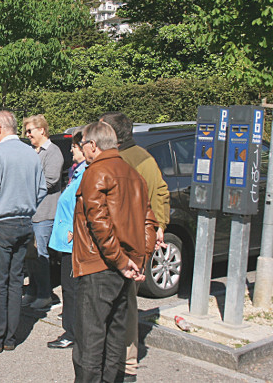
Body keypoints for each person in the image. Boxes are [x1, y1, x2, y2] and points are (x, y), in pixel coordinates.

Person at [71, 121, 158, 383]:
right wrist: (138, 261)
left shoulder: (95, 171)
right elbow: (149, 222)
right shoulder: (134, 175)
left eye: (83, 143)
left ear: (93, 145)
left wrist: (121, 261)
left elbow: (99, 222)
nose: (81, 148)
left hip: (100, 265)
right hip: (124, 267)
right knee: (115, 336)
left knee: (90, 340)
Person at [100, 112, 170, 383]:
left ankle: (126, 365)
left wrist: (160, 225)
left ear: (113, 134)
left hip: (131, 245)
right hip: (115, 244)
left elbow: (159, 192)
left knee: (126, 304)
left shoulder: (140, 159)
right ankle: (112, 357)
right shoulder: (113, 158)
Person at [0, 111, 47, 354]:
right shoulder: (31, 153)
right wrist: (28, 207)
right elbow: (42, 188)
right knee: (15, 282)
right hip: (24, 223)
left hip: (1, 222)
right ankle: (10, 337)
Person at [47, 128, 87, 349]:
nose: (71, 150)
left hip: (75, 241)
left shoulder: (86, 173)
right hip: (66, 240)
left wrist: (74, 228)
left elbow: (83, 207)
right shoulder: (76, 172)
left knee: (72, 289)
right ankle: (71, 329)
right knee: (69, 288)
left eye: (74, 147)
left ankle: (72, 333)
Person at [22, 115, 63, 310]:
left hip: (44, 211)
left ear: (42, 130)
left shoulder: (53, 152)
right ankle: (32, 290)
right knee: (30, 254)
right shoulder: (31, 152)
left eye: (30, 130)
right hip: (30, 212)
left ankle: (45, 294)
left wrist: (26, 188)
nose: (27, 134)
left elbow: (50, 181)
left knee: (41, 254)